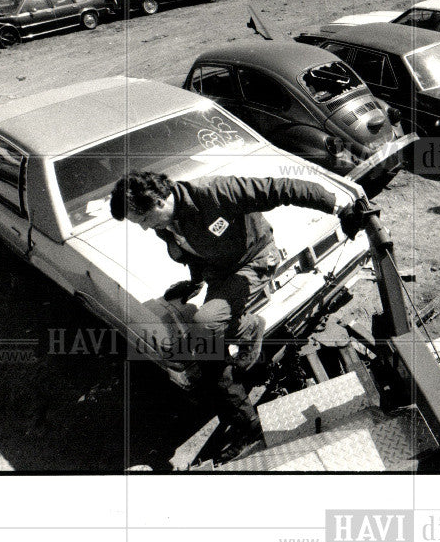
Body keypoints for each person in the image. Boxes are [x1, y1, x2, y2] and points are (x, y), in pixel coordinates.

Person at [110, 170, 363, 461]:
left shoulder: (213, 192)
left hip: (255, 260)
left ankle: (247, 338)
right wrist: (194, 283)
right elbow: (192, 252)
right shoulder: (164, 223)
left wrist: (339, 208)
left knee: (204, 323)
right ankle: (248, 419)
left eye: (141, 220)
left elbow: (281, 187)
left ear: (157, 201)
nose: (143, 228)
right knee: (206, 351)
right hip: (220, 273)